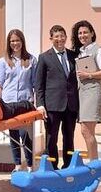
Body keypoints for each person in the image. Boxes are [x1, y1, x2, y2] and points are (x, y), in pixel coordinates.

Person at [34, 25, 79, 169]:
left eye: (62, 36)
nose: (60, 39)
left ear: (66, 37)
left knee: (69, 137)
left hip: (71, 105)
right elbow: (39, 84)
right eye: (56, 37)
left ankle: (68, 165)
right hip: (52, 105)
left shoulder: (74, 56)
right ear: (51, 39)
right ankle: (52, 166)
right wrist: (40, 104)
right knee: (51, 138)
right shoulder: (44, 57)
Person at [0, 29, 37, 171]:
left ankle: (30, 165)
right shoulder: (3, 61)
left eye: (17, 40)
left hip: (25, 102)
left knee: (25, 135)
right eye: (12, 41)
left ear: (22, 42)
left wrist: (37, 103)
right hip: (9, 102)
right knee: (13, 135)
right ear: (9, 43)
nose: (15, 43)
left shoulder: (31, 60)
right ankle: (17, 165)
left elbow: (35, 83)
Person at [71, 20, 101, 162]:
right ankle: (93, 163)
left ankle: (94, 164)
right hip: (82, 93)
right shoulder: (80, 51)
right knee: (85, 131)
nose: (82, 35)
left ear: (92, 33)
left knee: (86, 130)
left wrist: (89, 75)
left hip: (93, 92)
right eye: (80, 33)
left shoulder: (98, 50)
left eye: (85, 32)